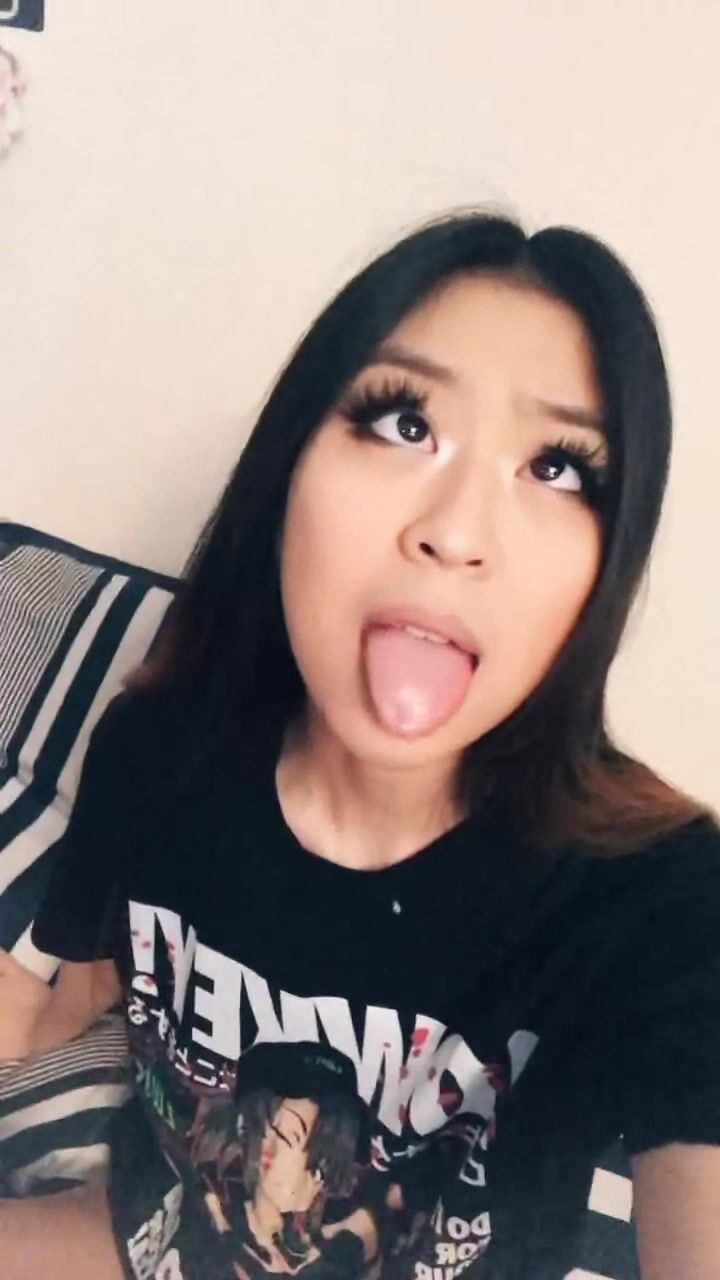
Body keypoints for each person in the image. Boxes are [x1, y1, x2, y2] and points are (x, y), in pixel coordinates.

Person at [0, 210, 718, 1280]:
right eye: (402, 421)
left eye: (560, 468)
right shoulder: (155, 748)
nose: (456, 531)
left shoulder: (659, 897)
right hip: (143, 1240)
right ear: (289, 465)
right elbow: (68, 988)